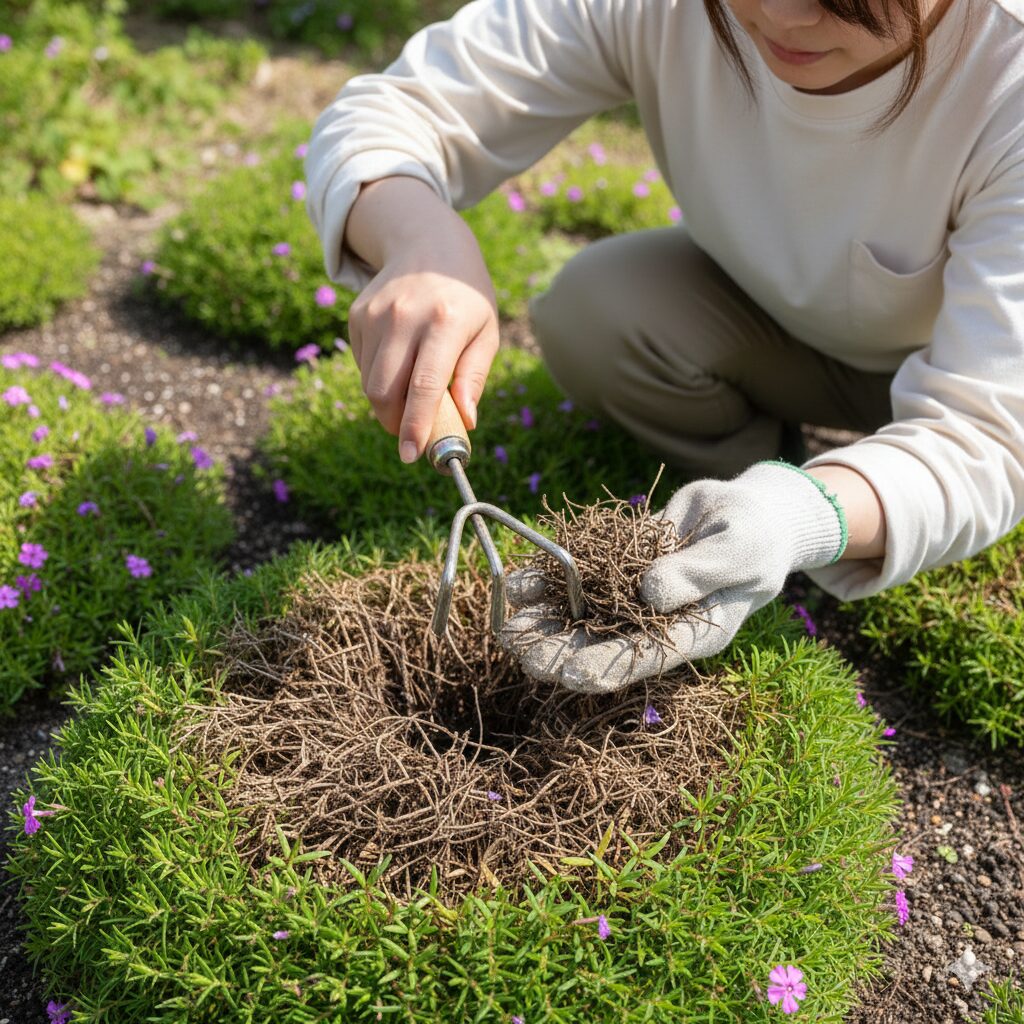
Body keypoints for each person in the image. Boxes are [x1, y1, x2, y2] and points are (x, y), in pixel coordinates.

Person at [304, 0, 1024, 693]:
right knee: (601, 311)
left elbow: (992, 436)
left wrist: (799, 516)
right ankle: (748, 506)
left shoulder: (1007, 75)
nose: (783, 14)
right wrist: (420, 241)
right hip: (793, 334)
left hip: (983, 365)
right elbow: (389, 112)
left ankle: (802, 519)